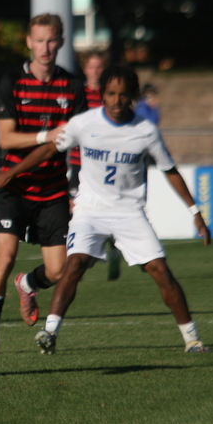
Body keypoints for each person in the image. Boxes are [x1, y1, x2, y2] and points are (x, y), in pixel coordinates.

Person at [0, 64, 211, 354]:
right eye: (111, 94)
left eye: (123, 94)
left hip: (129, 213)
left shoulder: (146, 131)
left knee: (161, 271)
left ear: (132, 97)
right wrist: (10, 173)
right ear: (102, 94)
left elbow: (170, 170)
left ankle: (192, 339)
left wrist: (195, 212)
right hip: (90, 210)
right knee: (73, 264)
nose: (116, 101)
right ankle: (49, 333)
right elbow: (50, 149)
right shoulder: (84, 123)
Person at [0, 13, 88, 355]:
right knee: (4, 256)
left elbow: (81, 142)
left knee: (58, 271)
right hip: (14, 185)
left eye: (51, 40)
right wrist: (46, 135)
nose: (45, 47)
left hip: (53, 190)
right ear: (28, 42)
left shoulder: (72, 86)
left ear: (61, 42)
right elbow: (5, 138)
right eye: (39, 40)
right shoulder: (12, 81)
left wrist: (79, 192)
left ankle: (27, 284)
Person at [71, 50, 123, 280]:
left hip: (105, 166)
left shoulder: (110, 97)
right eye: (91, 67)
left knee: (110, 209)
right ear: (85, 69)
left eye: (99, 67)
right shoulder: (77, 95)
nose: (95, 71)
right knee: (76, 210)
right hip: (78, 164)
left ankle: (113, 246)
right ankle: (79, 257)